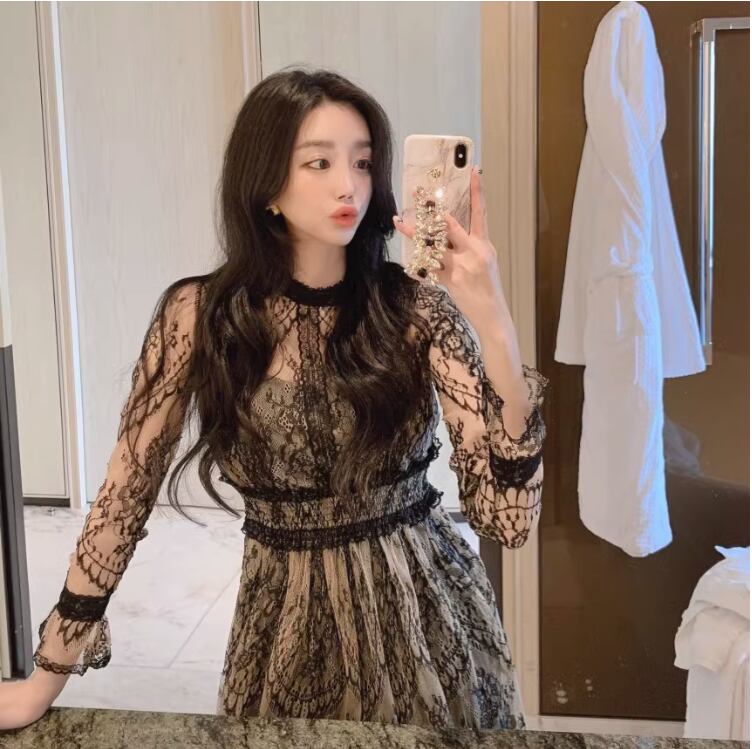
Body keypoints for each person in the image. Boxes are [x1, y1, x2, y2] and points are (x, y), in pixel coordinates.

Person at [0, 66, 548, 731]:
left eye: (363, 162)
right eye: (319, 163)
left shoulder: (415, 310)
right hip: (283, 624)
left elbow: (507, 522)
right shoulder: (199, 315)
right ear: (265, 187)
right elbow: (123, 498)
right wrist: (44, 678)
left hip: (423, 615)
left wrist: (495, 324)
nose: (348, 185)